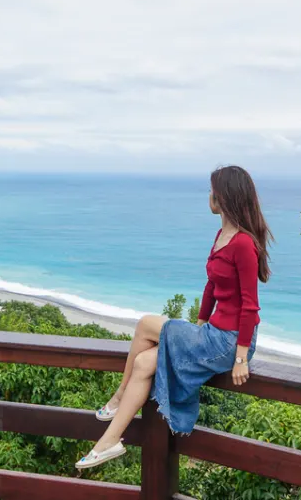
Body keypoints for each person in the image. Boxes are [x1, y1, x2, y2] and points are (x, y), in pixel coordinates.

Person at [76, 165, 273, 469]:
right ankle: (110, 442)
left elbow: (250, 306)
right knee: (144, 363)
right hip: (213, 333)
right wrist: (201, 321)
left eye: (212, 191)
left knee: (145, 324)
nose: (209, 196)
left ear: (223, 197)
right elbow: (212, 285)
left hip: (229, 342)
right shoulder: (223, 235)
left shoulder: (243, 243)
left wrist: (241, 358)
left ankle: (117, 397)